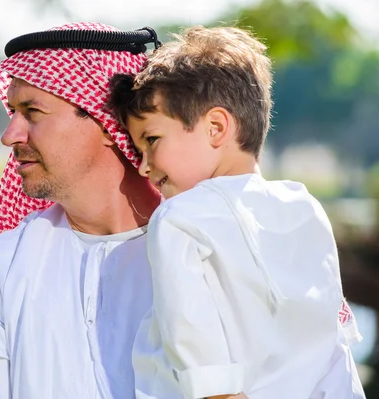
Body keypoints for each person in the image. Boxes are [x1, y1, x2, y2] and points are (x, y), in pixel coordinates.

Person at [106, 26, 365, 399]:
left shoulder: (179, 218)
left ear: (215, 127)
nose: (144, 166)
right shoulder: (305, 206)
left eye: (151, 140)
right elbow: (333, 346)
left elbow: (200, 357)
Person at [0, 22, 162, 399]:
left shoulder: (200, 249)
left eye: (32, 112)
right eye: (12, 112)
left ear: (106, 119)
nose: (10, 135)